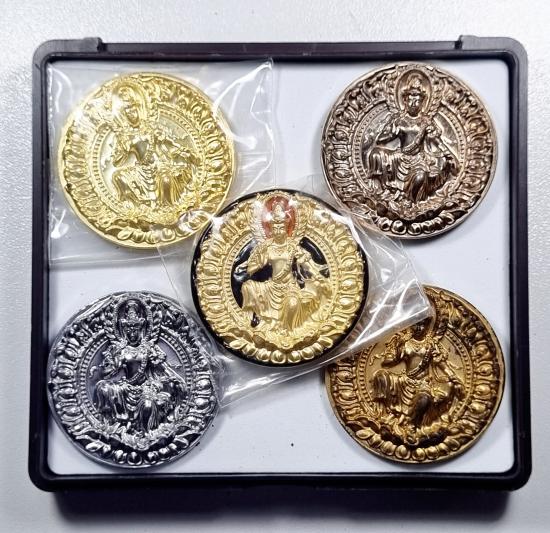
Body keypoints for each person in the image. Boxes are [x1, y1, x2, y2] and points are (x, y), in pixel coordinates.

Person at [236, 201, 331, 334]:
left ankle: (287, 331)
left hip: (289, 287)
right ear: (271, 230)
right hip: (272, 286)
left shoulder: (292, 247)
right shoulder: (267, 247)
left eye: (281, 228)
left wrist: (318, 277)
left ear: (286, 229)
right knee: (247, 286)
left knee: (292, 304)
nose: (278, 231)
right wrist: (259, 260)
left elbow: (308, 266)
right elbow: (250, 270)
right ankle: (254, 322)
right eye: (275, 228)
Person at [362, 72, 458, 203]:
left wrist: (449, 154)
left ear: (423, 102)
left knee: (420, 177)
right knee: (375, 154)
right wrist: (391, 133)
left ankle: (410, 201)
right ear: (405, 101)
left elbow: (437, 141)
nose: (414, 104)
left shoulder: (425, 121)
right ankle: (380, 191)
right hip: (399, 158)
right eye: (411, 100)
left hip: (418, 160)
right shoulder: (398, 120)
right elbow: (380, 140)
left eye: (417, 100)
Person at [94, 300, 186, 434]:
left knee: (148, 405)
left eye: (135, 329)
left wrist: (175, 378)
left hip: (145, 388)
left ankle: (147, 434)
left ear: (142, 329)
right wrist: (114, 361)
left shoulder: (149, 349)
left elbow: (163, 368)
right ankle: (116, 426)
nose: (132, 333)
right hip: (125, 388)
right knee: (103, 387)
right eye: (129, 330)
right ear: (123, 331)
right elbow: (105, 373)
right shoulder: (119, 350)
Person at [109, 80, 200, 209]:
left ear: (140, 110)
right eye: (128, 113)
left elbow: (170, 145)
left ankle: (167, 207)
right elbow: (116, 163)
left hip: (160, 166)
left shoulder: (152, 129)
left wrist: (182, 151)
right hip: (141, 170)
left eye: (134, 111)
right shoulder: (125, 137)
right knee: (118, 176)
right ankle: (136, 206)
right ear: (124, 115)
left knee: (166, 179)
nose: (132, 115)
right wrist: (124, 149)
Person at [371, 317, 465, 437]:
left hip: (422, 384)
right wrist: (394, 349)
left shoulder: (430, 345)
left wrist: (452, 376)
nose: (419, 328)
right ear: (410, 326)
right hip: (403, 382)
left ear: (427, 327)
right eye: (415, 325)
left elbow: (441, 364)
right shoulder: (405, 343)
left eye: (422, 325)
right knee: (380, 376)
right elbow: (387, 363)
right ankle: (382, 413)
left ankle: (412, 424)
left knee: (424, 399)